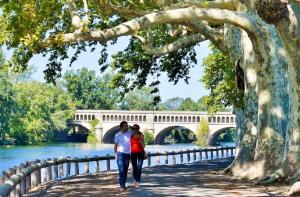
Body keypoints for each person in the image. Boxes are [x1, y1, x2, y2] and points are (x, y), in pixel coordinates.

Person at [114, 121, 132, 191]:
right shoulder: (117, 135)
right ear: (121, 127)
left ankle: (123, 183)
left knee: (125, 170)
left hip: (127, 154)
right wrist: (115, 155)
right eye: (125, 126)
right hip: (120, 154)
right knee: (121, 170)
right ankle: (122, 185)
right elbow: (115, 146)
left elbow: (137, 132)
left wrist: (131, 127)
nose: (127, 127)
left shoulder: (130, 134)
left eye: (127, 126)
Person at [130, 124, 145, 189]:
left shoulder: (141, 135)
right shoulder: (131, 136)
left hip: (140, 153)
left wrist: (141, 141)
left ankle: (137, 182)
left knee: (139, 168)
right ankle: (135, 180)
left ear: (137, 129)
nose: (133, 130)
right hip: (133, 153)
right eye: (133, 129)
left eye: (134, 129)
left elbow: (144, 146)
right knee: (134, 168)